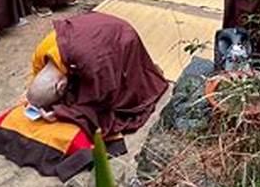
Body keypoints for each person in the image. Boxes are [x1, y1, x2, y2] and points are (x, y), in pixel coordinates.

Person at [23, 12, 168, 135]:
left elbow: (99, 101)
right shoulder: (40, 53)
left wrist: (61, 113)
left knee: (127, 90)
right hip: (94, 25)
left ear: (61, 86)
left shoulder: (92, 66)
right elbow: (38, 82)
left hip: (122, 36)